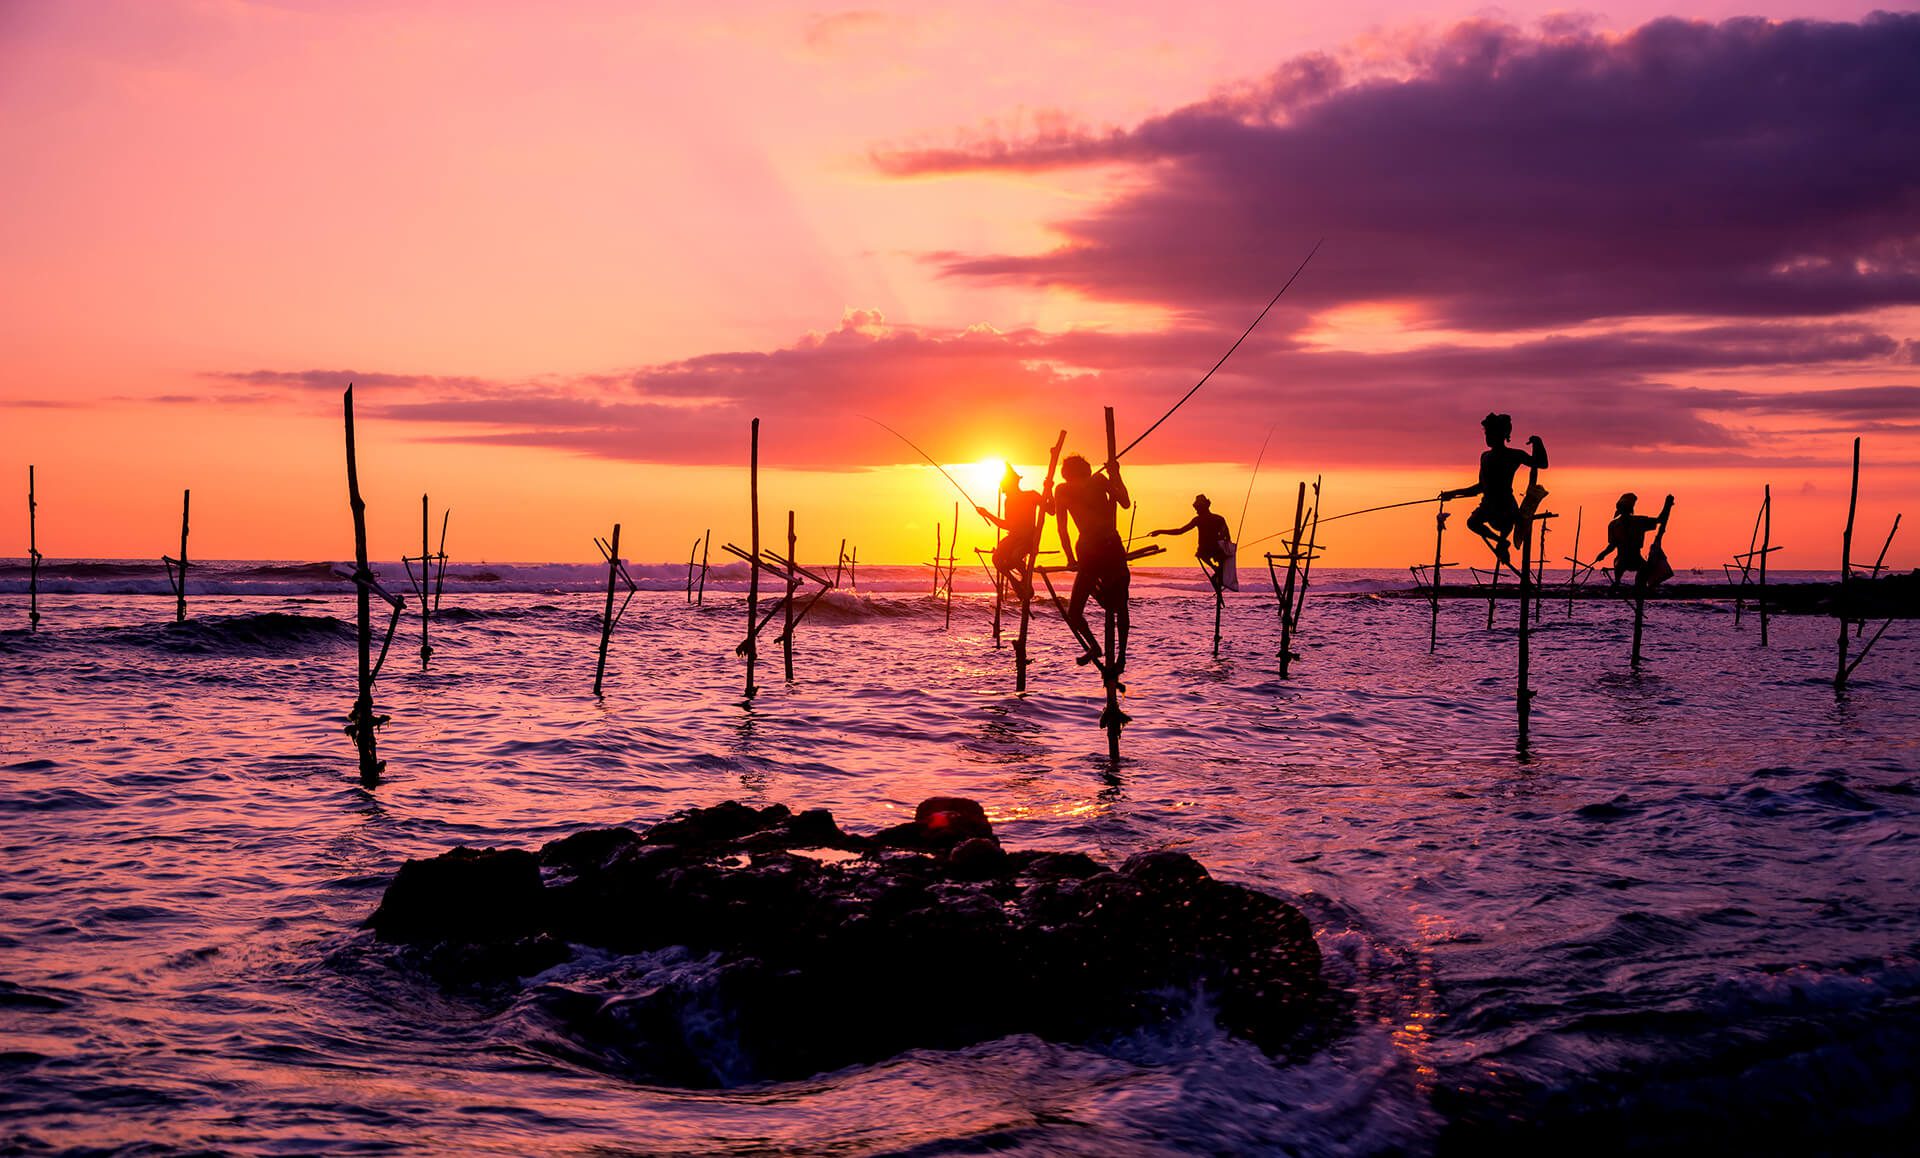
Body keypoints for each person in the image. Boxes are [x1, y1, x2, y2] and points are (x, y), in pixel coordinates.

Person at [1440, 413, 1548, 570]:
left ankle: (1502, 542)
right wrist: (1453, 493)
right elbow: (1480, 487)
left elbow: (1541, 463)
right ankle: (1501, 542)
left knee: (1503, 525)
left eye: (1491, 433)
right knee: (1472, 523)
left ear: (1503, 435)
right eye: (1486, 433)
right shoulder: (1485, 457)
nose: (1488, 437)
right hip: (1488, 505)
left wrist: (1538, 443)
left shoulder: (1514, 455)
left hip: (1505, 507)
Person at [1053, 452, 1130, 667]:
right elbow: (1125, 502)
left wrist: (1115, 475)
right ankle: (1108, 652)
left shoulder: (1069, 488)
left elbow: (1062, 528)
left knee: (1077, 612)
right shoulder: (1093, 482)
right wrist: (1116, 475)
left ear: (1066, 474)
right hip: (1099, 550)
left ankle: (1115, 654)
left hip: (1100, 550)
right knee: (1118, 607)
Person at [974, 464, 1044, 602]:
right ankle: (1015, 582)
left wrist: (1050, 492)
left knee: (1015, 558)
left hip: (1028, 538)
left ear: (1012, 484)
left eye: (1004, 486)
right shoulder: (1009, 501)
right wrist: (986, 514)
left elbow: (1051, 510)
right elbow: (1007, 524)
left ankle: (1025, 577)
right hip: (1013, 537)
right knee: (996, 559)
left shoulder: (1031, 495)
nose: (1003, 491)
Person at [1149, 495, 1234, 592]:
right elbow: (1227, 537)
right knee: (1208, 555)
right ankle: (1217, 570)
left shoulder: (1200, 519)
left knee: (1201, 554)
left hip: (1207, 550)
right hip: (1215, 550)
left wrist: (1160, 531)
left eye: (1197, 508)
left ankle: (1216, 570)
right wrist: (1161, 531)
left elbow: (1180, 531)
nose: (1196, 511)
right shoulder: (1219, 518)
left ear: (1203, 507)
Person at [1595, 492, 1674, 588]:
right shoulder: (1613, 525)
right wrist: (1602, 554)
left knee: (1643, 571)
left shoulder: (1639, 521)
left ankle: (1638, 589)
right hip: (1621, 559)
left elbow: (1660, 520)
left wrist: (1667, 505)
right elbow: (1612, 545)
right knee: (1620, 564)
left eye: (1626, 508)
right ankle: (1618, 583)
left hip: (1636, 558)